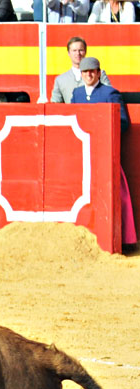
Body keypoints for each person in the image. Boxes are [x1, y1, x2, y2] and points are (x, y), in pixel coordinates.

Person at [71, 55, 136, 252]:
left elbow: (123, 123)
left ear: (99, 73)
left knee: (118, 194)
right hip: (84, 154)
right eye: (85, 72)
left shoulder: (110, 93)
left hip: (106, 154)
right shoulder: (77, 94)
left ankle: (123, 240)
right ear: (81, 74)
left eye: (92, 71)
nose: (89, 74)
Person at [51, 36, 110, 103]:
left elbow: (108, 95)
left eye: (81, 50)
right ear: (68, 53)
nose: (78, 53)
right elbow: (55, 105)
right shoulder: (60, 80)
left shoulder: (99, 74)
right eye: (74, 50)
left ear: (85, 52)